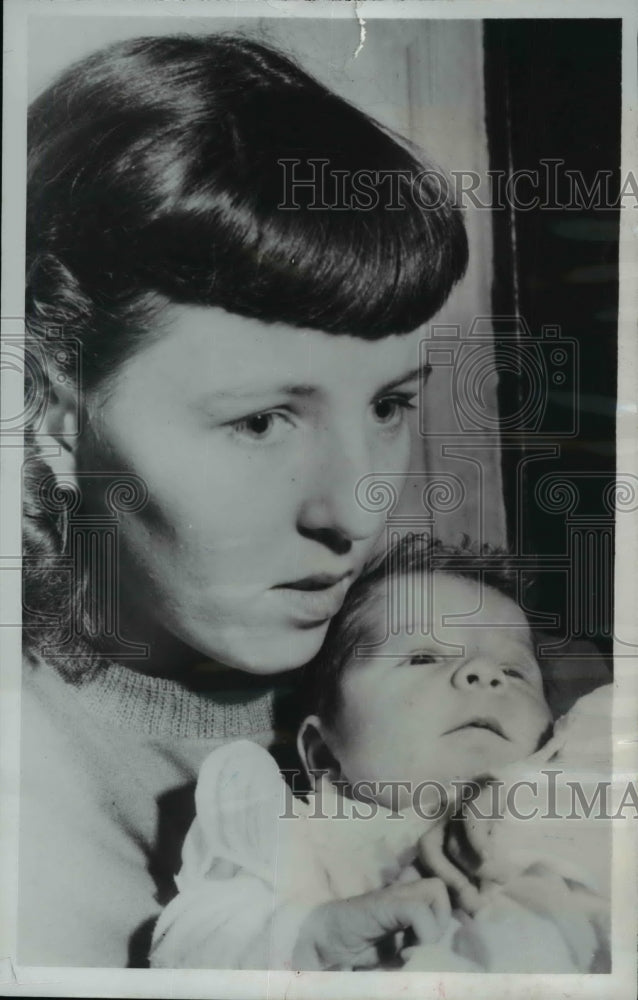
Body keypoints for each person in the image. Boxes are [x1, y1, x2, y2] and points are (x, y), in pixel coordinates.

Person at [20, 34, 469, 967]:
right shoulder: (26, 791)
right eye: (261, 422)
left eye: (390, 406)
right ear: (54, 420)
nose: (355, 511)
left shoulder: (423, 669)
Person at [149, 537, 611, 972]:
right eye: (425, 658)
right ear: (325, 758)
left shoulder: (579, 783)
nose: (485, 674)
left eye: (514, 671)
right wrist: (318, 934)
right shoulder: (296, 836)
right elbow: (187, 949)